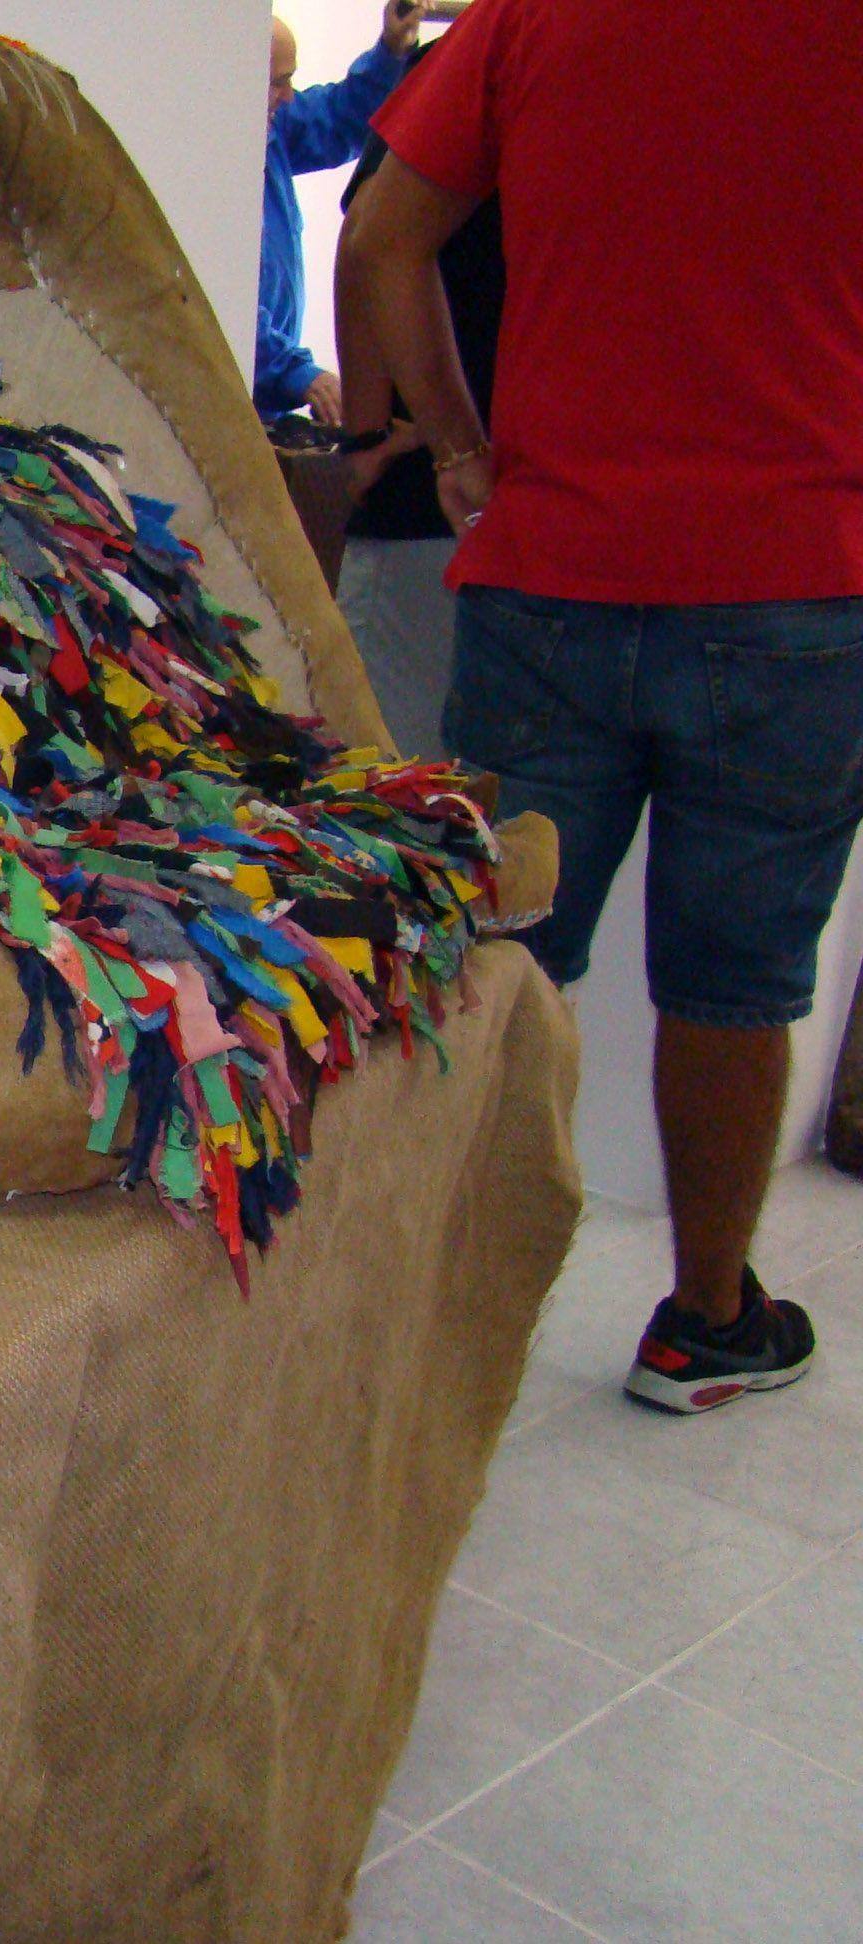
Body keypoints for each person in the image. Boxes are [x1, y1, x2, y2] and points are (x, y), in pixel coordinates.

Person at [341, 0, 863, 1414]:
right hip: (800, 584)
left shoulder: (535, 16)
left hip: (551, 574)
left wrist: (455, 443)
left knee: (496, 956)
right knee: (736, 982)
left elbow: (383, 234)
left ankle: (422, 1318)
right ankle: (706, 1323)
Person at [330, 31, 502, 757]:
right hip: (433, 506)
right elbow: (368, 240)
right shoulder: (491, 54)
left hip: (509, 509)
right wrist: (372, 437)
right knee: (395, 780)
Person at [256, 1, 421, 425]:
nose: (288, 96)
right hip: (228, 392)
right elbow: (219, 305)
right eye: (277, 83)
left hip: (261, 401)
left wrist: (392, 50)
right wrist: (297, 374)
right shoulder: (207, 168)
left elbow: (342, 116)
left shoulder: (269, 129)